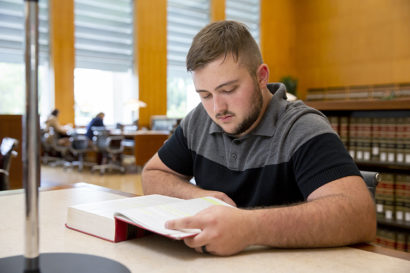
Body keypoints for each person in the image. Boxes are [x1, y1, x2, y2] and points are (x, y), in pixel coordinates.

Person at [141, 21, 376, 256]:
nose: (217, 108)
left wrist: (248, 227)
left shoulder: (302, 127)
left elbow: (359, 216)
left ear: (261, 76)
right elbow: (153, 175)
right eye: (205, 95)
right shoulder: (199, 120)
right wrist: (201, 196)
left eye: (229, 90)